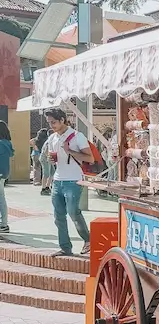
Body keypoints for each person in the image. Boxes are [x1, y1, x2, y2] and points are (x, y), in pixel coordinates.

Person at [44, 109, 93, 256]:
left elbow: (90, 158)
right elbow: (55, 159)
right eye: (49, 123)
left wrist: (69, 151)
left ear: (62, 120)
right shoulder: (52, 138)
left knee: (73, 212)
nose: (51, 125)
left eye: (53, 122)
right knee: (58, 216)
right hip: (58, 179)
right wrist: (51, 160)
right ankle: (65, 247)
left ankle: (88, 239)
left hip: (74, 180)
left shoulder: (77, 137)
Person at [0, 122, 15, 234]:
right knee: (1, 198)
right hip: (4, 174)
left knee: (1, 199)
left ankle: (3, 224)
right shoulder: (7, 143)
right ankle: (4, 223)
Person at [35, 129, 52, 195]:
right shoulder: (49, 141)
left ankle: (47, 187)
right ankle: (43, 188)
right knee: (46, 173)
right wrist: (49, 157)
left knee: (52, 173)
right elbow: (46, 151)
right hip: (45, 159)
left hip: (48, 159)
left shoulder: (51, 140)